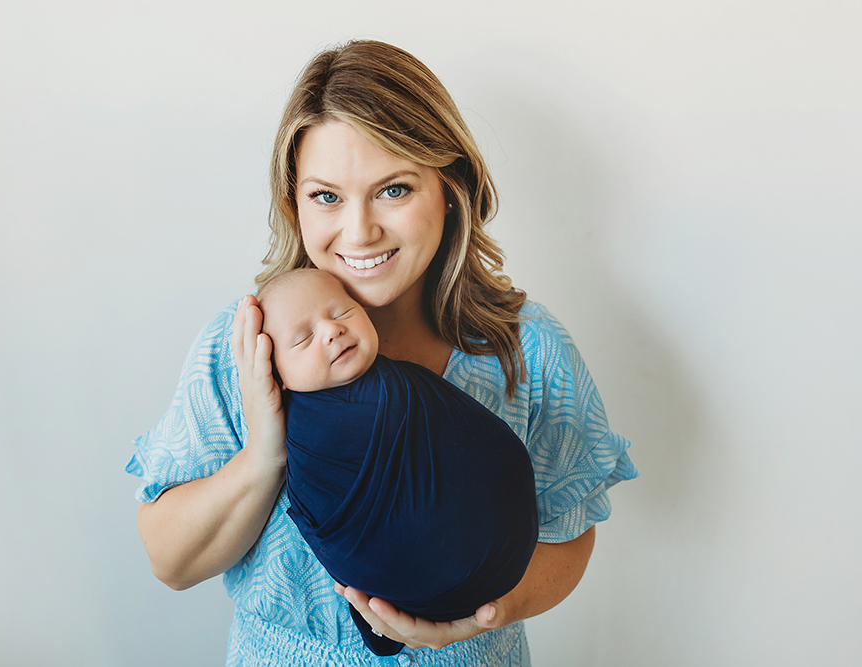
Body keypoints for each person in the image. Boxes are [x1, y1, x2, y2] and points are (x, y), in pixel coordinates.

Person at [127, 40, 638, 666]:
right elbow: (169, 562)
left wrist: (483, 613)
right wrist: (265, 453)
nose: (360, 230)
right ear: (293, 200)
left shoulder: (524, 348)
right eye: (326, 196)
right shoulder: (244, 346)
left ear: (450, 187)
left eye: (393, 190)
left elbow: (569, 535)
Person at [256, 267, 539, 656]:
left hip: (497, 583)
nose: (331, 331)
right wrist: (262, 452)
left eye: (342, 312)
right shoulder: (307, 431)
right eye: (303, 339)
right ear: (274, 373)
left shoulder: (531, 339)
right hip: (402, 595)